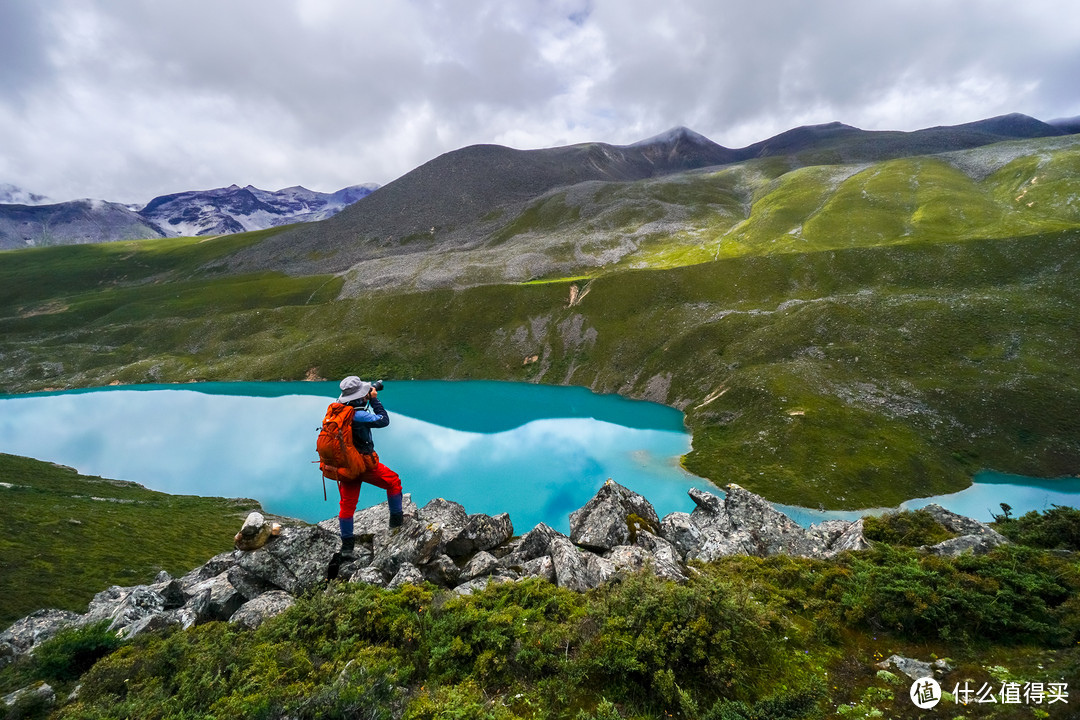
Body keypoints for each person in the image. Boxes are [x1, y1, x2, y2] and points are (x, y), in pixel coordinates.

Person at [335, 375, 404, 558]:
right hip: (364, 465)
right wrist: (374, 400)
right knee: (393, 482)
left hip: (345, 466)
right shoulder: (359, 415)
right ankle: (397, 525)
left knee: (347, 505)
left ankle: (347, 548)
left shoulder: (339, 411)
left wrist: (363, 397)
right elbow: (383, 420)